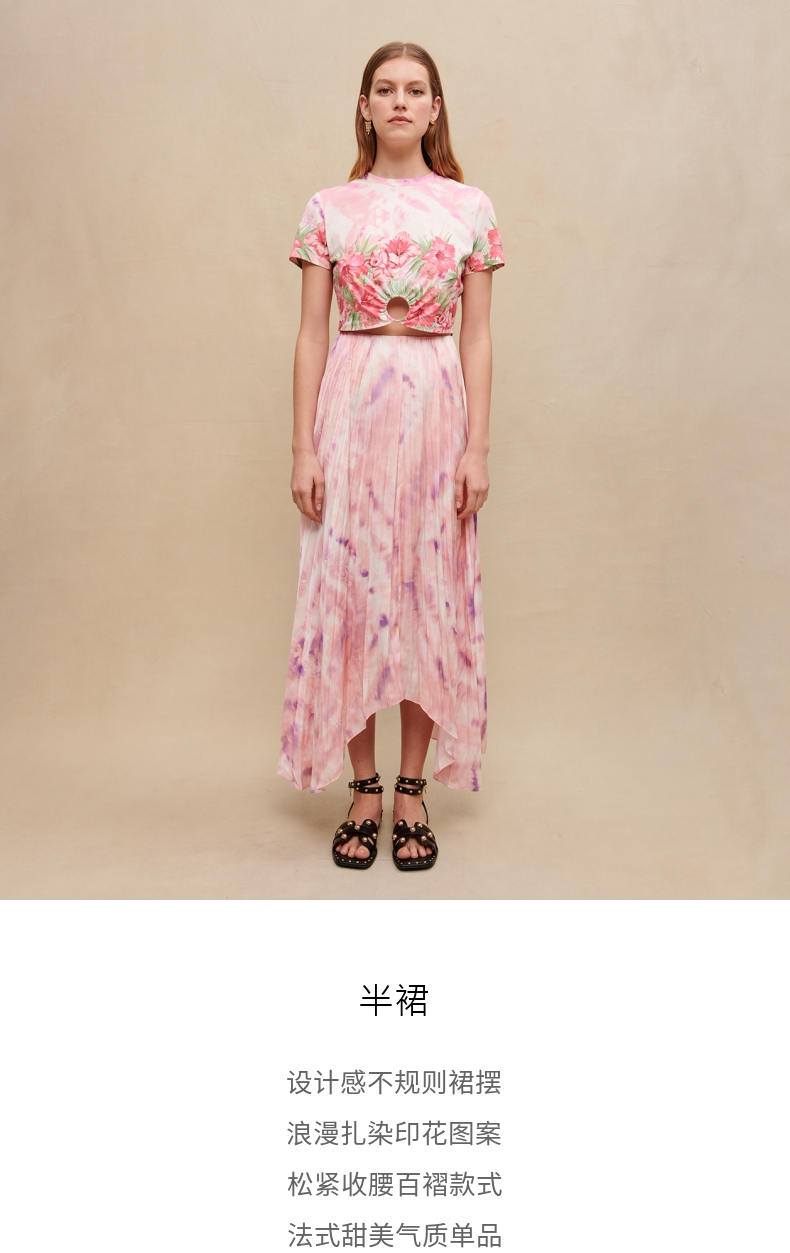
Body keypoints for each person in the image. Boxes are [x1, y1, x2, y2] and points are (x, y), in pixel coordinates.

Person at [278, 41, 504, 871]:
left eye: (415, 89)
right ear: (365, 107)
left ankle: (412, 789)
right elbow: (311, 334)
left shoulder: (469, 207)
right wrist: (302, 446)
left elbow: (478, 336)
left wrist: (477, 445)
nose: (400, 101)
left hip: (438, 400)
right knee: (352, 592)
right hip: (353, 400)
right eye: (386, 88)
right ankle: (363, 788)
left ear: (435, 108)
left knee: (428, 592)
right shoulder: (329, 208)